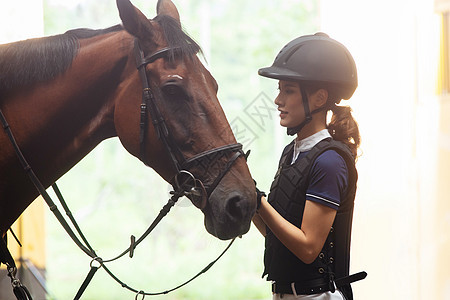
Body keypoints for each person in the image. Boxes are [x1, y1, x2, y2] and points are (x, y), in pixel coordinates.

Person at [252, 32, 366, 300]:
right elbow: (275, 233)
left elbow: (307, 248)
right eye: (279, 89)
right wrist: (248, 199)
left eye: (288, 90)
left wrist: (260, 204)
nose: (278, 100)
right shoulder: (290, 153)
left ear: (318, 98)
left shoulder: (329, 161)